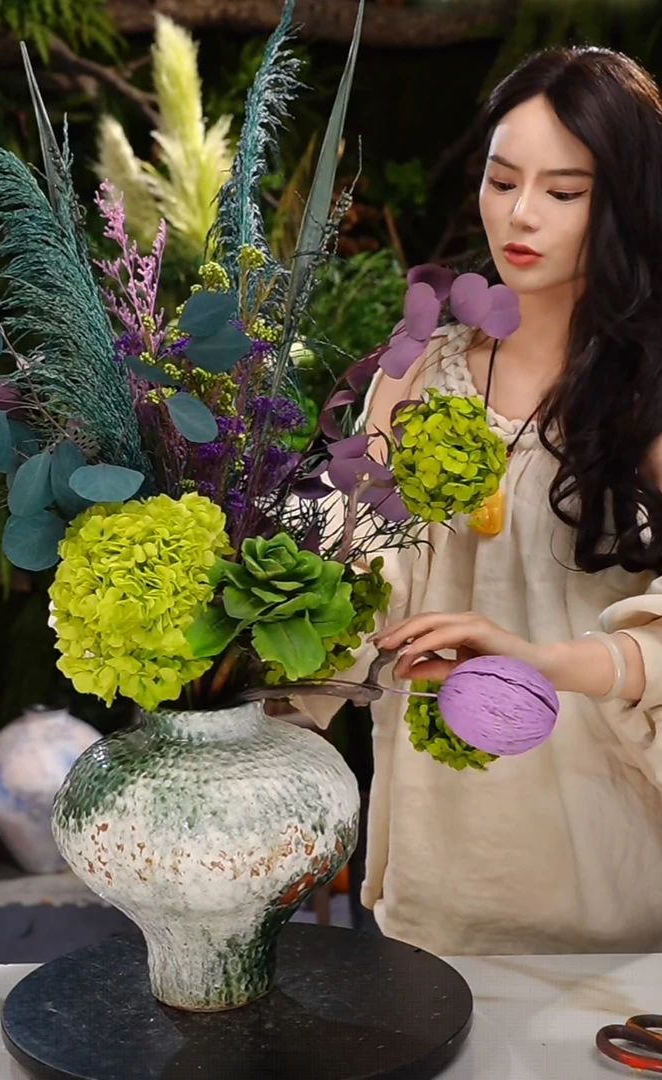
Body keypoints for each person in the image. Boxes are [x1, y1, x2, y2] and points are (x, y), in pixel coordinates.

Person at [300, 45, 662, 956]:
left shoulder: (646, 389)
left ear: (623, 200)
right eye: (502, 181)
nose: (521, 215)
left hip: (604, 867)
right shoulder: (422, 365)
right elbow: (355, 574)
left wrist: (532, 657)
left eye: (565, 191)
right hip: (439, 867)